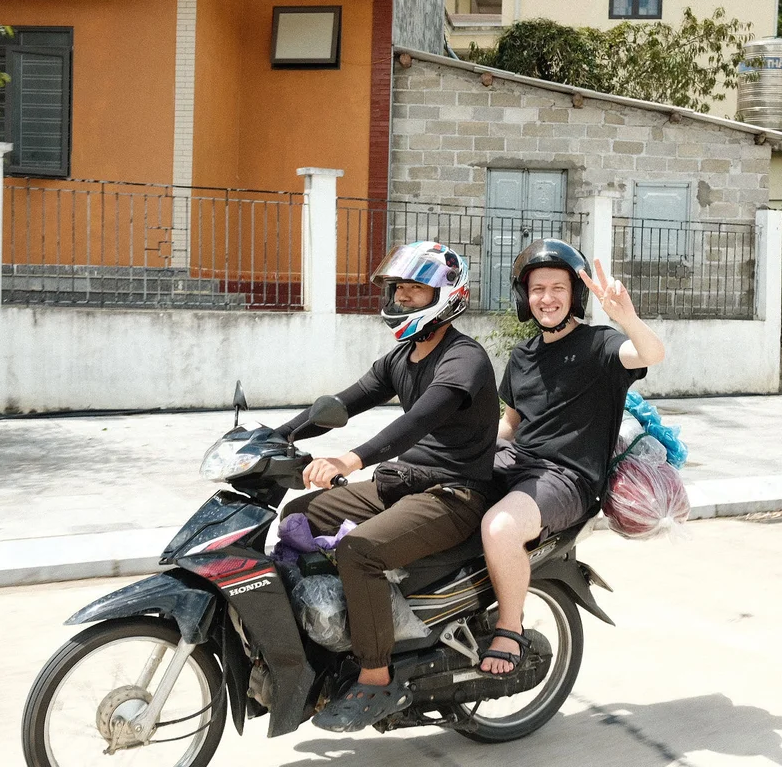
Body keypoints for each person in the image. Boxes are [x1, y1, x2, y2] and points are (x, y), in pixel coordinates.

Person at [274, 241, 499, 732]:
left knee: (359, 550)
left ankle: (376, 678)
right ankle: (328, 636)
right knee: (303, 516)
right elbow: (340, 404)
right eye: (399, 289)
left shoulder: (464, 359)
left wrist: (350, 459)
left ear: (446, 296)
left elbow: (417, 423)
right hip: (404, 484)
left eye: (415, 290)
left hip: (454, 494)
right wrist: (275, 437)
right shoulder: (401, 356)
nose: (401, 298)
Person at [478, 239, 665, 675]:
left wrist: (628, 318)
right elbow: (512, 424)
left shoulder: (601, 345)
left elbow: (651, 354)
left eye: (557, 288)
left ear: (574, 295)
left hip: (568, 479)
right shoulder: (523, 356)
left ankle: (510, 628)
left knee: (501, 527)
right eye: (537, 289)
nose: (547, 298)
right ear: (526, 298)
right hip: (520, 462)